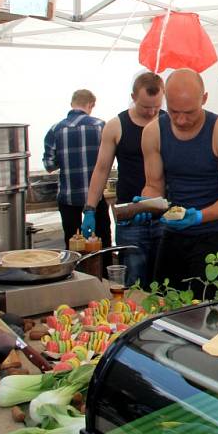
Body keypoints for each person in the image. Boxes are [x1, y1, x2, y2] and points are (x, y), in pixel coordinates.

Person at [140, 68, 218, 296]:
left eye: (189, 112)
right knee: (163, 301)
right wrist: (146, 204)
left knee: (204, 308)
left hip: (216, 232)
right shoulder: (153, 132)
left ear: (204, 99)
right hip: (174, 229)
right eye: (173, 111)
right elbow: (154, 185)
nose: (181, 119)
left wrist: (198, 216)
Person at [81, 72, 165, 286]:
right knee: (134, 280)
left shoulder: (169, 123)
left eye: (156, 106)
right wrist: (90, 209)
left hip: (164, 213)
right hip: (130, 214)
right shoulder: (116, 125)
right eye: (146, 106)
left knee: (164, 279)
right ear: (133, 97)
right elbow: (101, 169)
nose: (152, 112)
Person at [43, 89, 112, 249]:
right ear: (91, 105)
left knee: (73, 246)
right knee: (103, 245)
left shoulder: (55, 130)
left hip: (68, 198)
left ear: (72, 104)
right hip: (95, 199)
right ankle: (103, 273)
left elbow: (49, 165)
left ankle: (76, 274)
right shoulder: (101, 126)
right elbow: (109, 159)